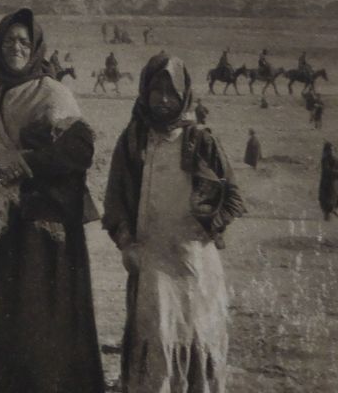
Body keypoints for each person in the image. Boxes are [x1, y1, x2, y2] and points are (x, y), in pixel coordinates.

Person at [0, 8, 104, 393]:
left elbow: (80, 150)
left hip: (42, 227)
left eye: (24, 41)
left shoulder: (53, 94)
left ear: (36, 47)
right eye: (9, 40)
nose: (16, 47)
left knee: (39, 320)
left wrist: (26, 164)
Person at [103, 54, 245, 393]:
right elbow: (115, 200)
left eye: (172, 92)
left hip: (195, 263)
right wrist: (126, 242)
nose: (164, 100)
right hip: (150, 260)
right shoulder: (134, 139)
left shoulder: (201, 140)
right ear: (145, 92)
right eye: (157, 91)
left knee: (195, 336)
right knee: (156, 336)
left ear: (184, 95)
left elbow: (234, 197)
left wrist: (209, 227)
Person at [319, 142, 338, 220]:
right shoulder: (325, 160)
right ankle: (327, 214)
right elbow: (327, 171)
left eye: (332, 150)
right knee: (326, 199)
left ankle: (333, 210)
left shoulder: (336, 160)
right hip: (326, 184)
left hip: (334, 183)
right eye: (330, 150)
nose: (331, 152)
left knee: (334, 198)